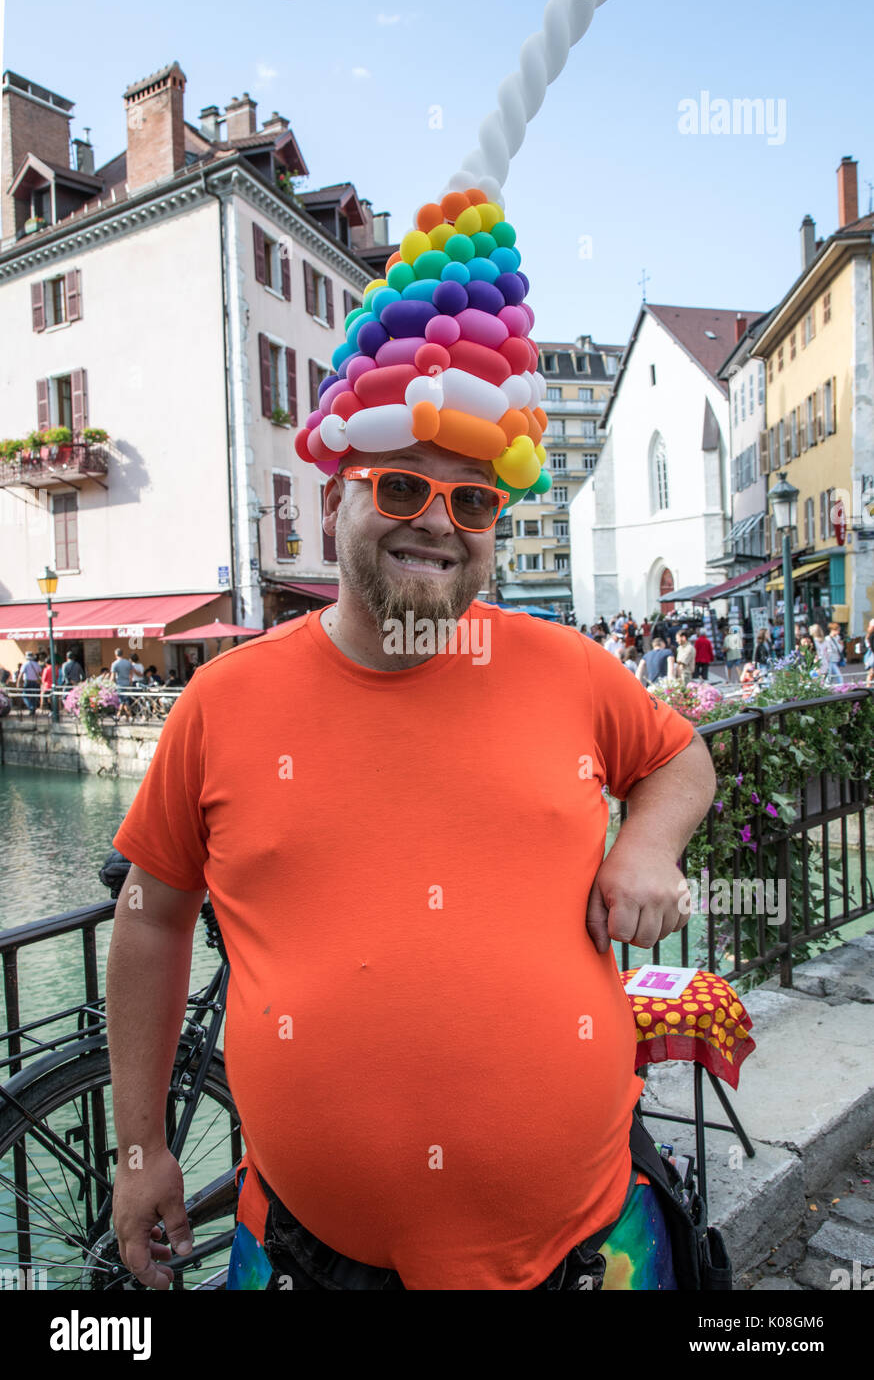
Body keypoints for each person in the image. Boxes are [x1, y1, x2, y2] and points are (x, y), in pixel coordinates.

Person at [106, 178, 718, 1295]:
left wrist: (648, 843)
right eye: (399, 485)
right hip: (309, 1255)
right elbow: (150, 923)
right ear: (335, 495)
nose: (438, 521)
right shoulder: (223, 701)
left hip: (585, 1252)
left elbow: (680, 755)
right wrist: (142, 1147)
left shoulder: (566, 665)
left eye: (473, 501)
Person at [111, 648, 134, 718]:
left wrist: (112, 684)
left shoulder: (115, 664)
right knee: (125, 700)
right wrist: (130, 683)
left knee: (122, 701)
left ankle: (126, 716)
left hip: (119, 685)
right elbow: (131, 675)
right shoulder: (128, 663)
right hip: (127, 684)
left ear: (115, 654)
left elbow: (112, 677)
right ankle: (127, 716)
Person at [864, 619, 874, 688]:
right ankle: (868, 687)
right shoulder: (871, 635)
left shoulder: (870, 635)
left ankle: (868, 686)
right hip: (872, 656)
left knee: (871, 673)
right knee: (871, 673)